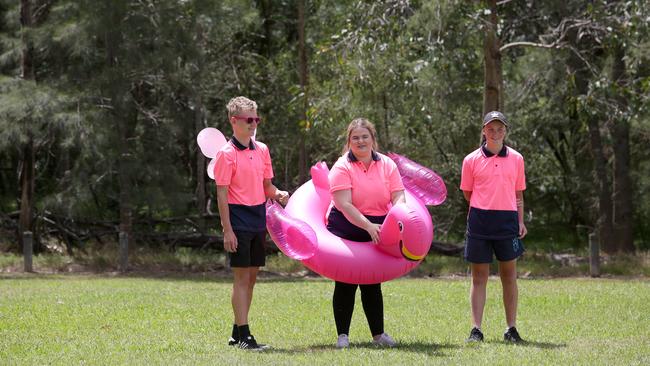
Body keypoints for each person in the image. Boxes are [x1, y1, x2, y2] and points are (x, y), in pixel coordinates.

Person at [214, 96, 289, 350]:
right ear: (233, 121)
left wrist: (278, 194)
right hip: (238, 219)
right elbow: (222, 193)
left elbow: (267, 186)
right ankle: (245, 336)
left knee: (252, 277)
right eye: (248, 119)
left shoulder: (263, 150)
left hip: (258, 218)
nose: (253, 124)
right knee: (241, 278)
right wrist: (227, 230)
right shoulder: (226, 154)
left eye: (256, 119)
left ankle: (237, 332)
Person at [326, 118, 404, 348]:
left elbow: (398, 195)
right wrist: (368, 226)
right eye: (355, 138)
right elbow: (345, 204)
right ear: (349, 142)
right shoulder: (342, 166)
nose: (361, 141)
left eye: (365, 136)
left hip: (378, 225)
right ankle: (343, 336)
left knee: (372, 282)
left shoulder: (387, 164)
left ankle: (378, 335)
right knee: (346, 282)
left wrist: (398, 218)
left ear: (372, 139)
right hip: (347, 226)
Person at [460, 111, 527, 343]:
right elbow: (468, 193)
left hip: (507, 222)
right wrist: (485, 205)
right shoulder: (471, 160)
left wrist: (520, 221)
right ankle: (476, 329)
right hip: (479, 220)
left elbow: (518, 194)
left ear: (505, 131)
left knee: (509, 276)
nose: (495, 133)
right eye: (491, 128)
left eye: (500, 129)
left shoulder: (517, 159)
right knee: (479, 277)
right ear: (484, 131)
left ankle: (511, 328)